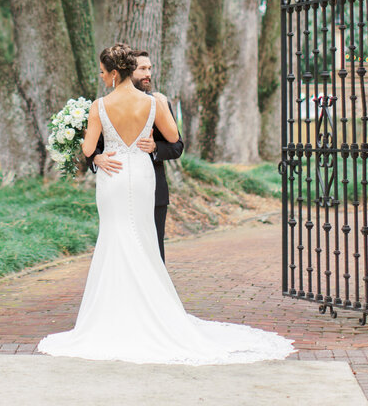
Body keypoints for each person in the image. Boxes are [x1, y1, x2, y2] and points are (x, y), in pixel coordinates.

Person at [38, 43, 293, 365]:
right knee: (142, 239)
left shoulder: (99, 106)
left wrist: (95, 154)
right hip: (143, 175)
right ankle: (152, 311)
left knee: (115, 237)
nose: (101, 77)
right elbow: (173, 137)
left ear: (115, 73)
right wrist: (148, 143)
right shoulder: (154, 102)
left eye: (103, 72)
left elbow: (89, 147)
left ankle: (115, 315)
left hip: (114, 176)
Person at [86, 49, 183, 260]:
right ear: (129, 71)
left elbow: (177, 146)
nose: (148, 73)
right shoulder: (106, 106)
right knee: (118, 241)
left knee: (153, 250)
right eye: (142, 69)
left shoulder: (159, 102)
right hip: (117, 180)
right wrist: (95, 157)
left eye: (150, 68)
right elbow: (96, 146)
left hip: (153, 188)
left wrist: (155, 147)